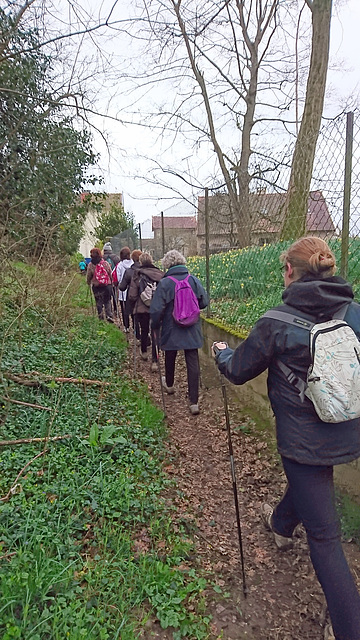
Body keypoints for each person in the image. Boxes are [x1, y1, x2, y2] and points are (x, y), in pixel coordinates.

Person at [212, 236, 360, 640]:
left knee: (326, 537)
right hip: (348, 428)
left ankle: (348, 627)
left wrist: (222, 352)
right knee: (312, 482)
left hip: (303, 440)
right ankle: (279, 524)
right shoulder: (354, 312)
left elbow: (239, 370)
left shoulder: (276, 321)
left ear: (290, 271)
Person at [150, 249, 208, 415]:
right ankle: (194, 401)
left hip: (171, 326)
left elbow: (156, 310)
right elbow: (204, 301)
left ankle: (169, 384)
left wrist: (155, 324)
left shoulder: (165, 283)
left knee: (170, 353)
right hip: (192, 326)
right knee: (192, 358)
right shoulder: (193, 280)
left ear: (167, 265)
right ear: (182, 262)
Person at [128, 252, 163, 368]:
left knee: (144, 330)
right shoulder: (160, 274)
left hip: (142, 309)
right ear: (152, 261)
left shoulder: (137, 274)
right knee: (155, 333)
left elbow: (132, 295)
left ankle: (144, 352)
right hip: (157, 308)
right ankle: (155, 361)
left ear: (141, 262)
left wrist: (133, 305)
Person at [119, 249, 142, 339]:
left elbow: (122, 287)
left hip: (132, 297)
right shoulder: (146, 270)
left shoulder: (129, 271)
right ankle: (146, 335)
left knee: (134, 316)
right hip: (145, 298)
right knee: (144, 317)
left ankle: (137, 334)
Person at [86, 247, 114, 322]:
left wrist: (88, 282)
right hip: (107, 285)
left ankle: (100, 317)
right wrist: (112, 282)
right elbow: (110, 273)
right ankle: (109, 315)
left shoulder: (91, 265)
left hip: (97, 286)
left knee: (99, 302)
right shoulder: (105, 263)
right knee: (107, 301)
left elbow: (89, 276)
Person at [115, 246, 134, 332]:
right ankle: (134, 326)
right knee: (133, 309)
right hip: (133, 291)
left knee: (124, 309)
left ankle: (126, 327)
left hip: (123, 291)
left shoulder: (119, 265)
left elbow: (118, 278)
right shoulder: (133, 263)